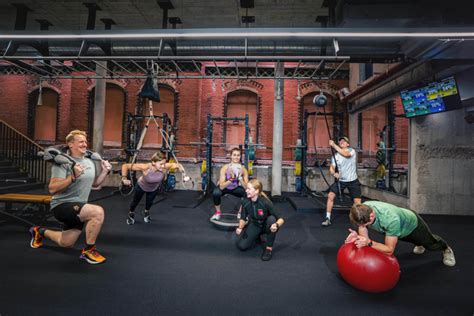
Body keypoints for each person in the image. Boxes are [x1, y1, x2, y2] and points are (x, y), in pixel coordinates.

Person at [29, 130, 112, 265]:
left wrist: (105, 171)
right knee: (97, 212)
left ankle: (39, 231)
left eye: (85, 142)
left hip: (79, 207)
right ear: (70, 144)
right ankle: (89, 251)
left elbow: (95, 184)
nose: (85, 144)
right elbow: (52, 188)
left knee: (66, 243)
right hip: (62, 205)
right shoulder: (62, 163)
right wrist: (72, 177)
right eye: (81, 142)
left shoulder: (89, 162)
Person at [345, 201, 456, 267]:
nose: (362, 227)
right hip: (397, 228)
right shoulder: (363, 209)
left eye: (365, 224)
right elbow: (362, 229)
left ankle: (446, 248)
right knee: (410, 240)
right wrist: (359, 237)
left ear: (372, 216)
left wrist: (368, 242)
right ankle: (418, 243)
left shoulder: (390, 219)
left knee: (430, 243)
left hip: (413, 225)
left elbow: (389, 250)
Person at [121, 152, 184, 225]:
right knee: (134, 202)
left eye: (164, 163)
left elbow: (178, 165)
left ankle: (146, 212)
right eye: (160, 164)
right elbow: (125, 166)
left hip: (153, 188)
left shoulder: (164, 167)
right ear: (153, 162)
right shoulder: (146, 167)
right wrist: (124, 178)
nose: (163, 166)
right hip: (141, 186)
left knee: (149, 203)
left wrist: (184, 174)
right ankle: (131, 213)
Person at [235, 179, 285, 261]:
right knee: (242, 246)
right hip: (255, 224)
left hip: (267, 225)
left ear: (256, 191)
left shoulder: (265, 202)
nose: (246, 190)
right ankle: (257, 235)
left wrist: (276, 225)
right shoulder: (245, 202)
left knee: (272, 219)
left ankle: (268, 249)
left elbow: (281, 218)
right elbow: (243, 217)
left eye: (249, 189)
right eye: (246, 188)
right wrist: (240, 228)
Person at [322, 136, 361, 227]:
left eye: (344, 141)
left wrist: (333, 145)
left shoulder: (351, 151)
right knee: (330, 195)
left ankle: (359, 220)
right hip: (341, 181)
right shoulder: (335, 156)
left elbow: (346, 154)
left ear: (348, 144)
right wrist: (333, 173)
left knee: (357, 202)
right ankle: (328, 218)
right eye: (340, 141)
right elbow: (332, 167)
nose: (342, 142)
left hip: (353, 180)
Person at [211, 147, 249, 220]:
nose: (236, 157)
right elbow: (221, 187)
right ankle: (218, 213)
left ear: (240, 157)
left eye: (238, 155)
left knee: (248, 193)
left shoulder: (243, 169)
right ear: (231, 156)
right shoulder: (225, 168)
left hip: (235, 188)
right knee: (216, 193)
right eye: (234, 155)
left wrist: (240, 178)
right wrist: (231, 179)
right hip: (225, 187)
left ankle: (241, 213)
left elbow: (246, 188)